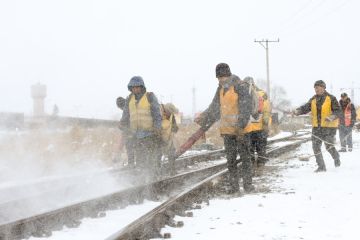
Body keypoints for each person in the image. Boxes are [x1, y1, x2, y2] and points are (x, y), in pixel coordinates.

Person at [195, 63, 255, 194]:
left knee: (245, 159)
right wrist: (204, 116)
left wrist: (240, 126)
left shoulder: (240, 87)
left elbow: (245, 108)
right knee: (231, 161)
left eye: (223, 77)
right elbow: (214, 107)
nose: (221, 80)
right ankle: (234, 187)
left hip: (242, 131)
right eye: (219, 77)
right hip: (228, 132)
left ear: (229, 75)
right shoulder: (220, 89)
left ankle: (248, 186)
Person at [119, 76, 163, 181]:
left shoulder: (150, 97)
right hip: (137, 135)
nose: (135, 89)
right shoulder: (129, 99)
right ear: (130, 88)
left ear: (142, 87)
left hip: (150, 134)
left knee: (152, 159)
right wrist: (122, 122)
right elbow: (126, 114)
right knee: (140, 158)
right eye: (133, 88)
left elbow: (157, 114)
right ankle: (142, 180)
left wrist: (157, 127)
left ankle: (154, 178)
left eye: (137, 87)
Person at [293, 80, 341, 172]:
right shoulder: (313, 99)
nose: (316, 89)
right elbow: (305, 108)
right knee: (315, 147)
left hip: (329, 127)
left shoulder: (331, 98)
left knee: (328, 146)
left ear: (323, 88)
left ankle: (336, 157)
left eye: (318, 87)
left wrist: (332, 117)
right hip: (316, 127)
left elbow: (338, 111)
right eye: (315, 88)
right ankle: (321, 166)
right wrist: (297, 111)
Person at [243, 77, 271, 168]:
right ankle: (259, 166)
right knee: (260, 148)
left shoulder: (244, 94)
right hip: (258, 128)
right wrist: (266, 124)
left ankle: (253, 167)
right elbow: (266, 110)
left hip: (251, 128)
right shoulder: (262, 94)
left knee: (250, 149)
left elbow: (266, 110)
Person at [160, 103, 179, 175]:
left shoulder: (171, 115)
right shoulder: (159, 114)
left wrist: (174, 130)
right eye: (169, 112)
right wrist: (161, 139)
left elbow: (174, 126)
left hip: (168, 138)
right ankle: (157, 172)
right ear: (166, 110)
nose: (170, 114)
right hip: (158, 138)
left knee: (171, 152)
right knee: (157, 155)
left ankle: (172, 170)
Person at [116, 96, 136, 168]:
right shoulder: (129, 107)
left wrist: (121, 126)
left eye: (120, 107)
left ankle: (131, 163)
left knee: (129, 146)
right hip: (132, 131)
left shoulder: (127, 110)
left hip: (132, 132)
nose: (121, 109)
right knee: (131, 146)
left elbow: (124, 122)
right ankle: (133, 163)